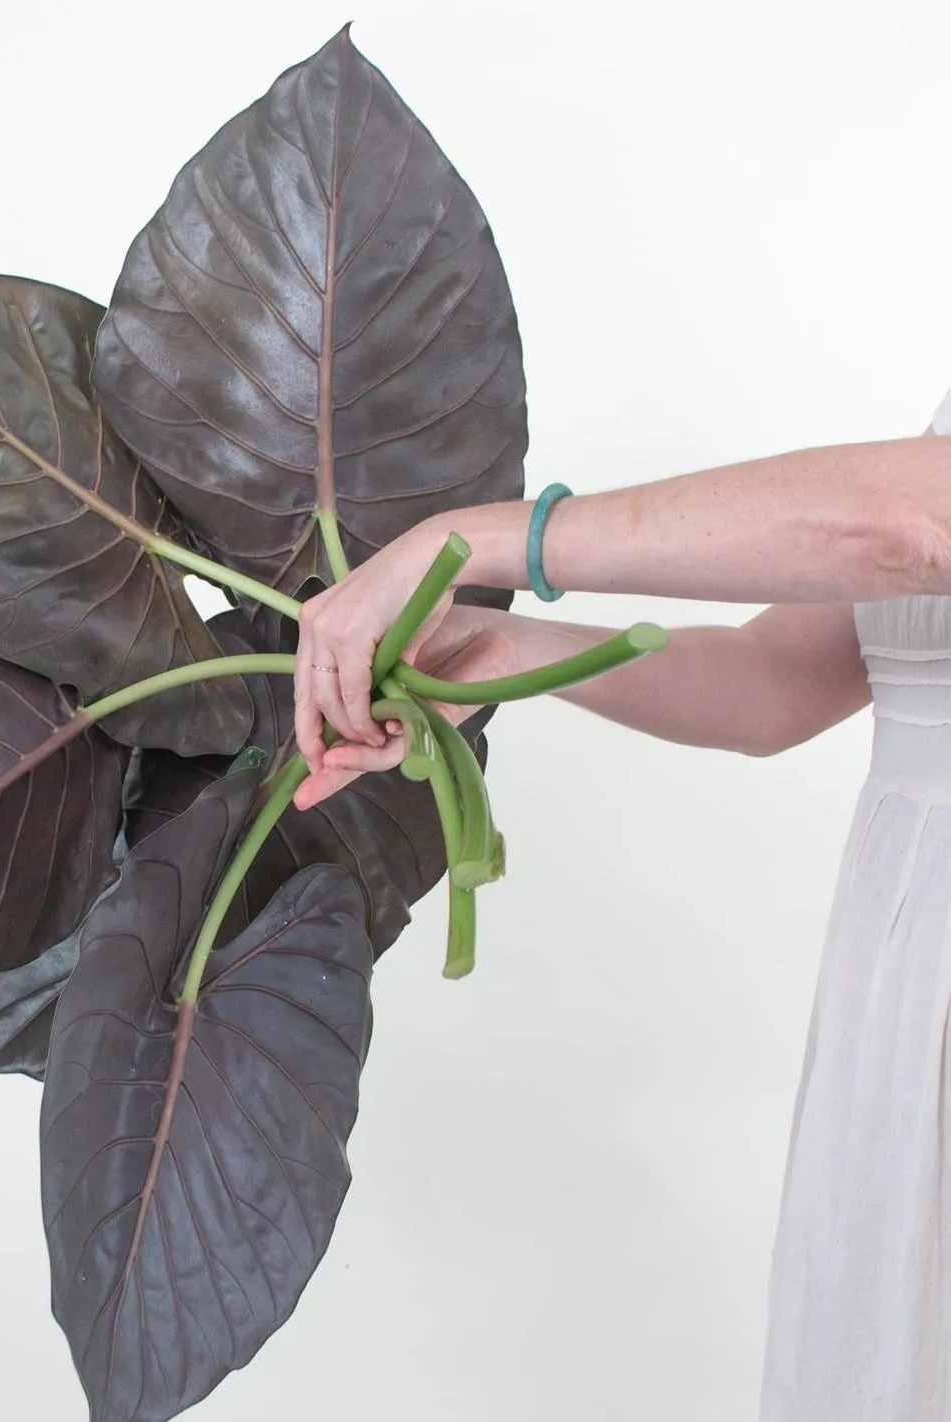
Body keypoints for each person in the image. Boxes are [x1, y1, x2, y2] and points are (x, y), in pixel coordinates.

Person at [292, 389, 951, 1422]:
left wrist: (471, 541)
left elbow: (913, 529)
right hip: (906, 1010)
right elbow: (778, 682)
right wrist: (513, 654)